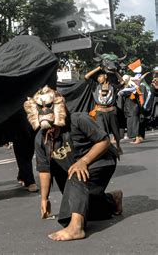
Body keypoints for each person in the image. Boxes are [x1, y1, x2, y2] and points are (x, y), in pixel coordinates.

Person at [24, 86, 122, 241]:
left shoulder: (78, 119)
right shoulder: (41, 139)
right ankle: (111, 200)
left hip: (100, 160)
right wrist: (44, 198)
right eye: (40, 107)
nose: (44, 110)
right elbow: (45, 170)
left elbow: (103, 141)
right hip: (74, 170)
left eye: (48, 106)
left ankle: (76, 228)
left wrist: (83, 161)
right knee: (83, 206)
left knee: (76, 175)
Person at [85, 66, 123, 154]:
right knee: (102, 132)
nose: (98, 79)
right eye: (97, 77)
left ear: (105, 76)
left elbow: (122, 82)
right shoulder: (95, 86)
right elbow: (86, 76)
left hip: (111, 111)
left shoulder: (112, 86)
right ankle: (106, 148)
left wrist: (116, 72)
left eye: (100, 76)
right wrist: (98, 68)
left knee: (115, 132)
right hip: (100, 112)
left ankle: (118, 145)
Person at [118, 75, 143, 144]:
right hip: (129, 108)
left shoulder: (132, 87)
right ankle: (136, 138)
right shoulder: (128, 87)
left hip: (133, 107)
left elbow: (130, 91)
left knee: (134, 123)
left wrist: (122, 91)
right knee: (131, 123)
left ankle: (137, 138)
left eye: (124, 80)